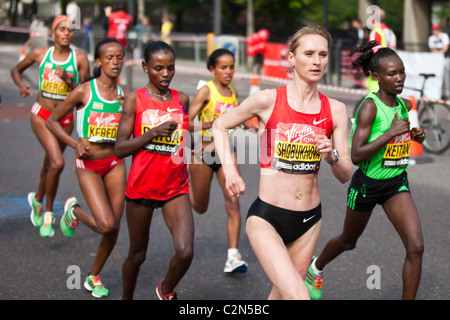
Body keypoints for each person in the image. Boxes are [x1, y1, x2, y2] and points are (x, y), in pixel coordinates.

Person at [212, 25, 352, 299]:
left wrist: (331, 155)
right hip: (268, 217)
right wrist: (230, 172)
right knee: (300, 296)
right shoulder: (267, 100)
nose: (316, 61)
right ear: (290, 57)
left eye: (322, 54)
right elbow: (219, 125)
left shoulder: (335, 110)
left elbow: (345, 173)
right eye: (309, 53)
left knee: (282, 296)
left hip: (309, 222)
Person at [305, 41, 426, 300]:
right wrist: (392, 132)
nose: (399, 78)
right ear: (376, 76)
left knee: (416, 247)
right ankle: (316, 267)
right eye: (392, 74)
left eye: (401, 72)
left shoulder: (403, 104)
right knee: (348, 241)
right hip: (367, 186)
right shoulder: (369, 106)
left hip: (395, 183)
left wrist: (414, 135)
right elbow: (357, 155)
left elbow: (400, 136)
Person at [46, 38, 128, 298]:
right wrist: (73, 143)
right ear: (99, 61)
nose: (115, 62)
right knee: (105, 225)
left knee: (114, 227)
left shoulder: (124, 96)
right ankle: (74, 210)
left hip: (115, 163)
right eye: (109, 58)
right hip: (88, 164)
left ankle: (93, 277)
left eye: (119, 57)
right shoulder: (84, 91)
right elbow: (52, 121)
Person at [115, 41, 194, 300]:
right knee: (137, 256)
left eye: (170, 68)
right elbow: (120, 148)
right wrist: (151, 133)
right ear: (145, 67)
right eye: (158, 68)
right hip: (142, 186)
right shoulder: (134, 99)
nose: (165, 74)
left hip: (175, 186)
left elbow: (185, 137)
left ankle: (165, 290)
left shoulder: (181, 99)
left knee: (185, 252)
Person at [11, 15, 90, 238]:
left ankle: (36, 201)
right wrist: (21, 86)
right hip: (42, 114)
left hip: (65, 120)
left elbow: (86, 95)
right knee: (57, 162)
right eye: (61, 29)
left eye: (70, 30)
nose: (66, 33)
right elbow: (16, 70)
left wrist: (70, 81)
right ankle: (48, 213)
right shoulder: (41, 54)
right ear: (53, 33)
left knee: (49, 164)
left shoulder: (80, 59)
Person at [188, 48, 250, 274]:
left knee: (234, 202)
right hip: (203, 154)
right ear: (212, 69)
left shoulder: (232, 92)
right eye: (223, 67)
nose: (229, 71)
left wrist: (250, 124)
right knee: (200, 207)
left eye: (232, 66)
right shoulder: (206, 91)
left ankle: (233, 257)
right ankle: (183, 189)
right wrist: (210, 125)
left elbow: (236, 120)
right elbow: (186, 122)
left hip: (227, 154)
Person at [366, 8, 397, 93]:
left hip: (378, 74)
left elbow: (372, 53)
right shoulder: (391, 33)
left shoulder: (376, 32)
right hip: (390, 71)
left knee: (375, 101)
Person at [428, 23, 450, 99]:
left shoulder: (444, 36)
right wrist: (438, 52)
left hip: (444, 58)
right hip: (435, 60)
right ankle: (436, 93)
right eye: (434, 29)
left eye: (436, 29)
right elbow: (431, 48)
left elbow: (446, 47)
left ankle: (447, 93)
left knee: (446, 75)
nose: (435, 31)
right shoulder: (431, 38)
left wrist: (439, 52)